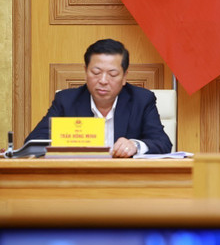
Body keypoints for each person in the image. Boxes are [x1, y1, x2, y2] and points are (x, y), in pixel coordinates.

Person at [26, 39, 172, 157]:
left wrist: (135, 145)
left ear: (124, 77)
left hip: (126, 182)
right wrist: (66, 143)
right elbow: (33, 143)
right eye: (96, 72)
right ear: (85, 72)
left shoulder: (141, 100)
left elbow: (163, 143)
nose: (103, 80)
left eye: (112, 74)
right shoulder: (66, 101)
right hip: (78, 180)